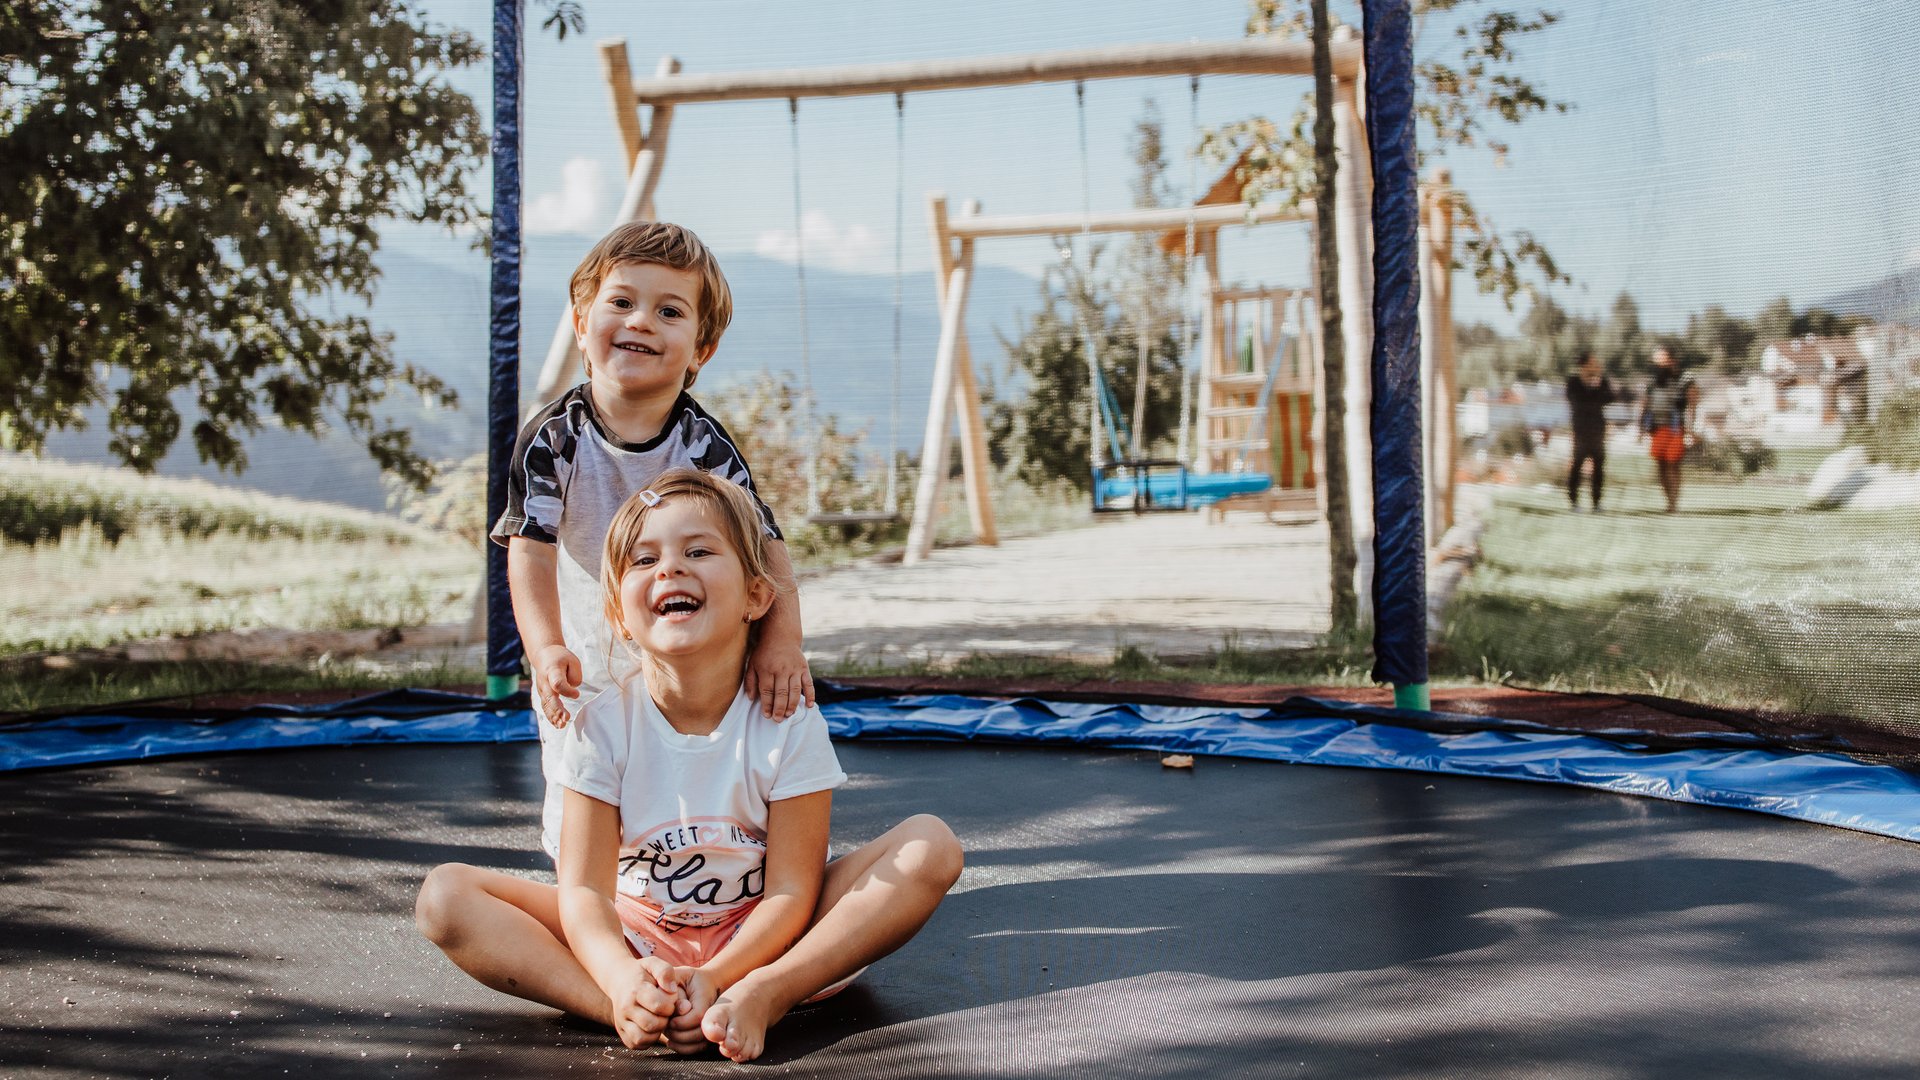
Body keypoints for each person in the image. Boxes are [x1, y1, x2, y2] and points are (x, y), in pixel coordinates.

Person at [418, 470, 964, 1062]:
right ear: (619, 615)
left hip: (764, 937)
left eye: (698, 551)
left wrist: (723, 974)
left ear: (757, 596)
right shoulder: (601, 726)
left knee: (930, 846)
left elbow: (789, 890)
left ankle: (767, 993)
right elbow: (584, 893)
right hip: (633, 937)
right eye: (644, 559)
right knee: (445, 897)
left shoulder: (786, 721)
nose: (669, 569)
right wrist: (621, 979)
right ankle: (623, 1011)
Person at [490, 221, 815, 860]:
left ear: (701, 349)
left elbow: (764, 543)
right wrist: (545, 648)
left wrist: (782, 641)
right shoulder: (553, 439)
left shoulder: (701, 444)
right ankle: (592, 905)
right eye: (621, 302)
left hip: (688, 650)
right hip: (587, 647)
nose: (640, 320)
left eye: (669, 311)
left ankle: (720, 878)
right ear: (582, 323)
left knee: (691, 772)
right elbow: (529, 547)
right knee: (581, 781)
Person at [1639, 346, 1698, 513]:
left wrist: (1690, 431)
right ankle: (1668, 501)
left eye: (1661, 362)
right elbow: (1644, 404)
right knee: (1662, 466)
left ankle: (1673, 503)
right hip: (1657, 428)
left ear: (1672, 361)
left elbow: (1693, 405)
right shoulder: (1652, 381)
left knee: (1673, 464)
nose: (1658, 366)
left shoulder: (1685, 379)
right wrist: (1641, 428)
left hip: (1676, 429)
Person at [1564, 352, 1615, 511]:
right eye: (1592, 362)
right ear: (1584, 364)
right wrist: (1592, 394)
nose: (1595, 366)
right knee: (1577, 464)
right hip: (1580, 429)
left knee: (1598, 465)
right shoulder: (1574, 382)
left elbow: (1610, 398)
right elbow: (1576, 401)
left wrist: (1598, 385)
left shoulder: (1601, 381)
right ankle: (1574, 501)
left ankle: (1597, 502)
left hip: (1597, 429)